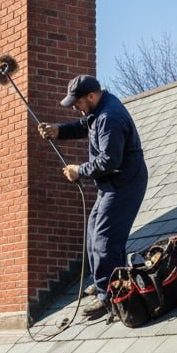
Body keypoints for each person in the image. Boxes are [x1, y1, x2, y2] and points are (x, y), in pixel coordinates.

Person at [38, 75, 148, 320]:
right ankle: (102, 280)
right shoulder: (99, 110)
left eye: (77, 103)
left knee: (105, 239)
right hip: (111, 185)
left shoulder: (110, 117)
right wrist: (58, 131)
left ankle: (110, 295)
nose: (75, 108)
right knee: (92, 232)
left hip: (125, 185)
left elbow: (109, 161)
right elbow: (85, 124)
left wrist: (79, 170)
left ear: (90, 96)